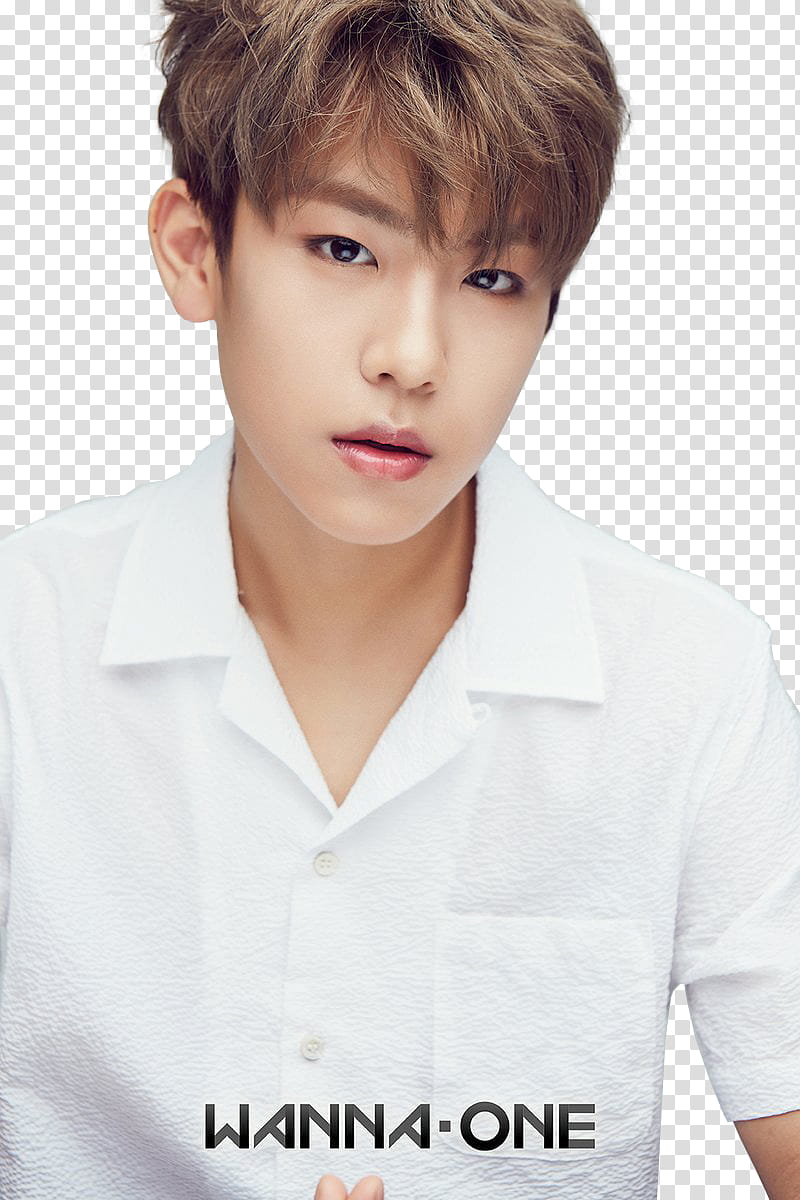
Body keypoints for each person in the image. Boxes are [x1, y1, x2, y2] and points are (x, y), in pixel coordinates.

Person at [1, 0, 799, 1197]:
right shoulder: (22, 644)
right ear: (195, 249)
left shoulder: (687, 674)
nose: (412, 358)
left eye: (491, 276)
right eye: (344, 249)